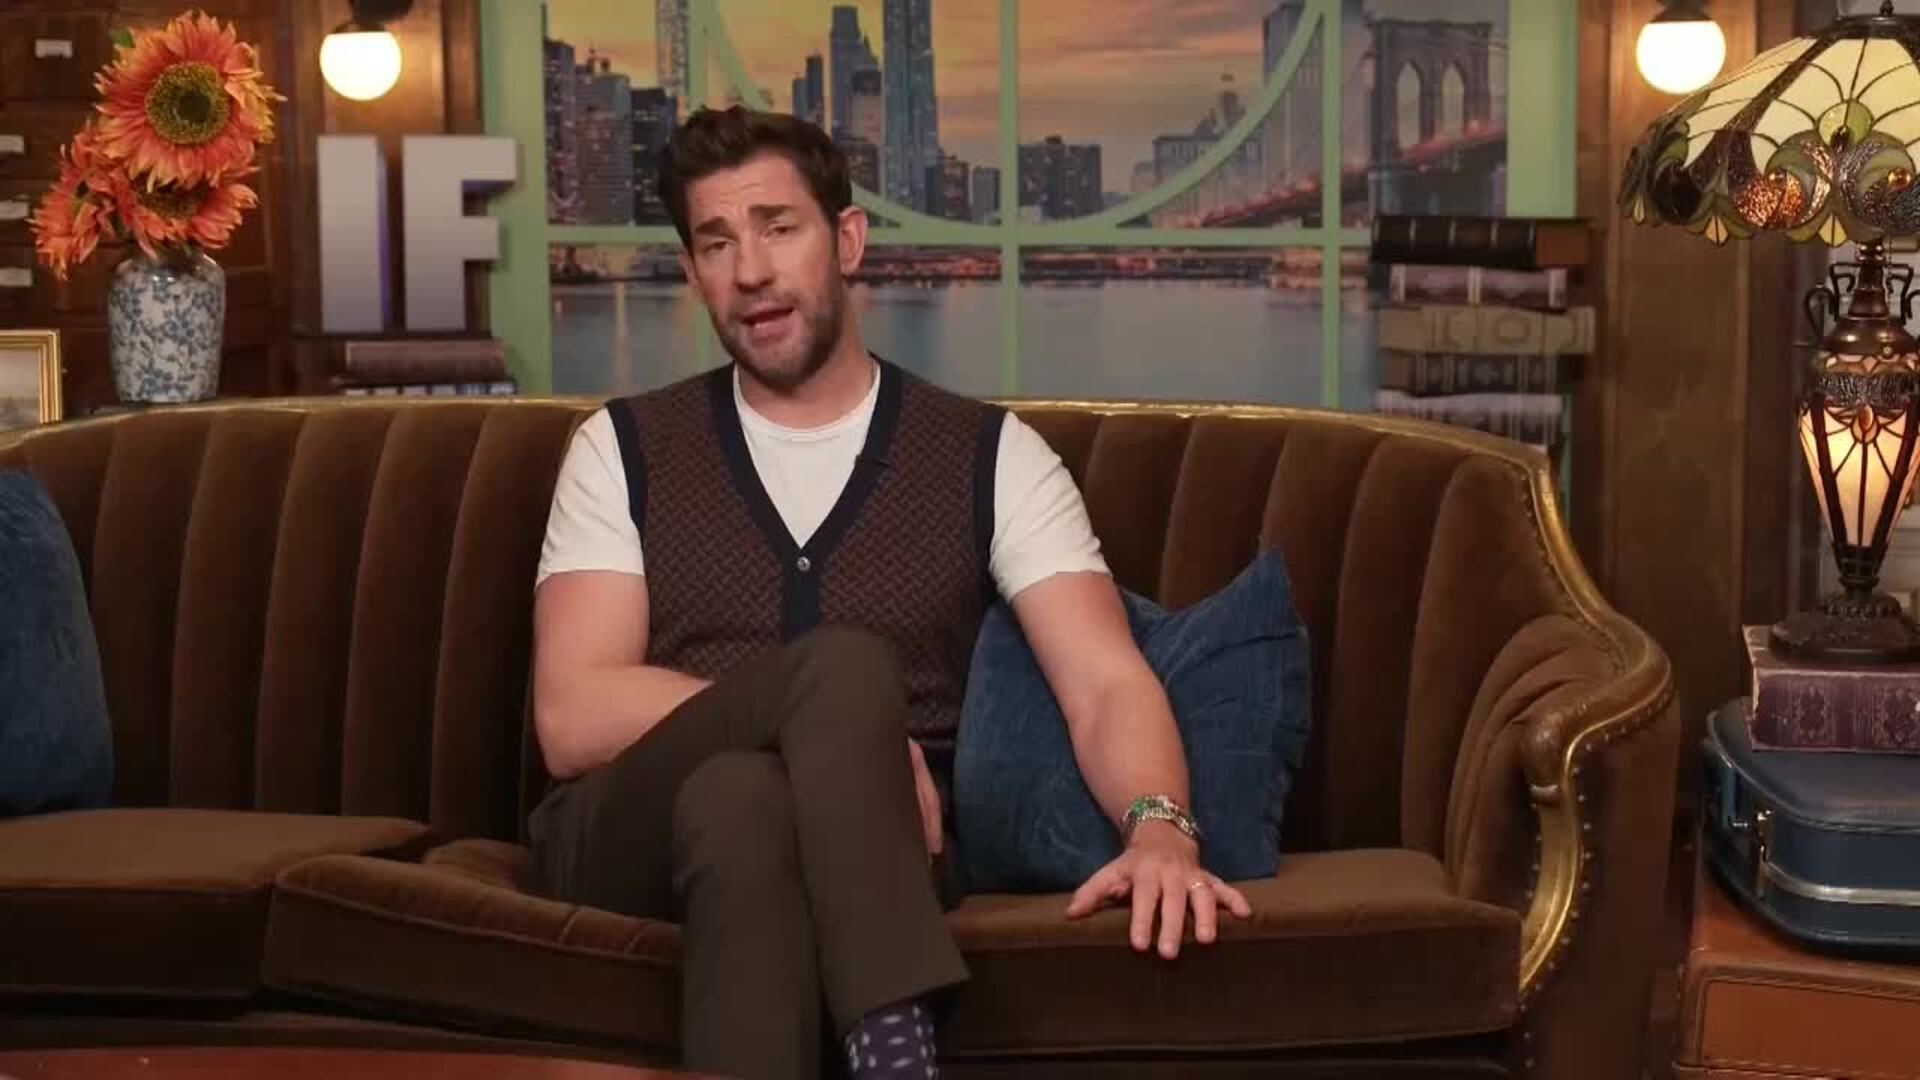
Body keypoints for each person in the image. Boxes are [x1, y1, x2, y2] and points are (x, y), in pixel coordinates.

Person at [526, 106, 1251, 1080]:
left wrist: (1161, 828)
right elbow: (572, 715)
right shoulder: (622, 448)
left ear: (848, 241)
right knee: (841, 675)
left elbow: (1104, 681)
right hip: (624, 835)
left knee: (744, 802)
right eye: (717, 243)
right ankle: (897, 1046)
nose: (750, 271)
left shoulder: (992, 457)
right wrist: (844, 738)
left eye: (779, 228)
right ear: (694, 274)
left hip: (891, 850)